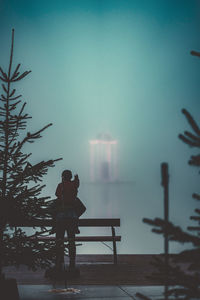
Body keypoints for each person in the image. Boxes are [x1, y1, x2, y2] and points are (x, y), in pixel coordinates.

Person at [55, 170, 80, 273]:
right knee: (71, 240)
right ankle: (72, 262)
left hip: (61, 217)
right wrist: (76, 179)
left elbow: (57, 195)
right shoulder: (74, 184)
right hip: (72, 217)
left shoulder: (61, 185)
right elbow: (76, 187)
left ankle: (59, 261)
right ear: (70, 177)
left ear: (63, 177)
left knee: (59, 239)